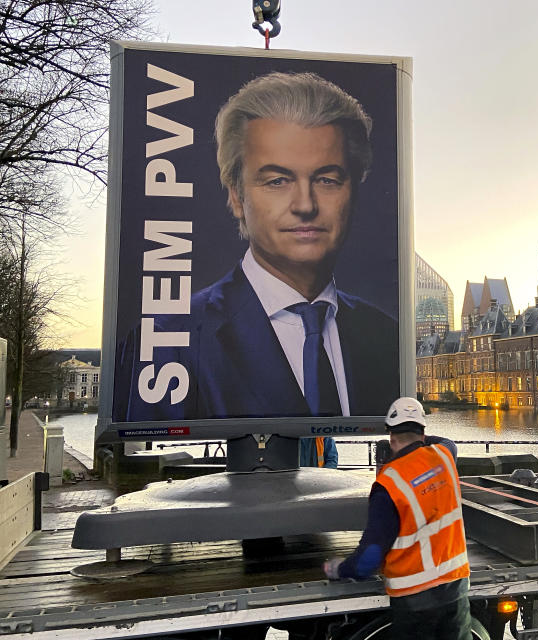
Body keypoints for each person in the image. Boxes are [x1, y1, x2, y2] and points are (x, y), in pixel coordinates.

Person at [115, 72, 399, 422]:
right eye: (277, 181)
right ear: (236, 196)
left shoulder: (387, 336)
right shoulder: (169, 340)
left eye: (327, 179)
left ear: (354, 191)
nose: (305, 205)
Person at [324, 397, 471, 640]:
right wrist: (421, 442)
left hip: (415, 603)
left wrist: (338, 568)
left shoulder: (388, 484)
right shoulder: (445, 456)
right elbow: (445, 442)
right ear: (423, 434)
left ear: (391, 438)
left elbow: (368, 560)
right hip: (455, 589)